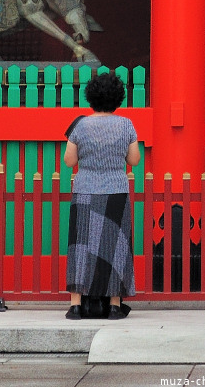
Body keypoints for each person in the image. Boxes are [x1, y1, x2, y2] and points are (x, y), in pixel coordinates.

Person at [63, 72, 140, 320]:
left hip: (85, 189)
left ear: (91, 97)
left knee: (81, 246)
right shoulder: (126, 124)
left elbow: (69, 161)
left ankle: (76, 305)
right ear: (118, 98)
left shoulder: (80, 126)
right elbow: (134, 160)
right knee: (114, 245)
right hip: (116, 190)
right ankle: (115, 305)